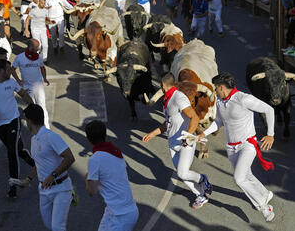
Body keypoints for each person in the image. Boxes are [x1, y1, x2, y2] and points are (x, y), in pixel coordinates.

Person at [198, 72, 276, 221]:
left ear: (221, 87)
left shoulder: (244, 99)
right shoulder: (220, 102)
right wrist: (204, 133)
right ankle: (265, 194)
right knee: (246, 175)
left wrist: (270, 134)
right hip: (231, 147)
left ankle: (264, 208)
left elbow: (269, 110)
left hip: (247, 145)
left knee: (239, 179)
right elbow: (219, 122)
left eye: (215, 88)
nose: (215, 91)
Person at [142, 73, 213, 208]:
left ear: (163, 86)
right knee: (182, 174)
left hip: (185, 141)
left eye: (161, 87)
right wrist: (153, 133)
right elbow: (168, 123)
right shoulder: (167, 101)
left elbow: (194, 118)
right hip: (173, 143)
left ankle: (203, 179)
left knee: (182, 172)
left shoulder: (179, 98)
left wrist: (187, 137)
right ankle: (200, 194)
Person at [0, 59, 35, 198]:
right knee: (17, 149)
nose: (12, 72)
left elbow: (23, 94)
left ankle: (13, 185)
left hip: (14, 120)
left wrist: (33, 108)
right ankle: (35, 163)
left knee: (11, 151)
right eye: (9, 69)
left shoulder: (11, 82)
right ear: (1, 71)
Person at [19, 104, 75, 231]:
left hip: (61, 188)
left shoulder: (51, 137)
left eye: (25, 119)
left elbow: (70, 157)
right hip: (44, 189)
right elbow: (38, 163)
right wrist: (28, 179)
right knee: (48, 225)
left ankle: (69, 194)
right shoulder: (34, 139)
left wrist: (53, 175)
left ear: (29, 121)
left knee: (57, 227)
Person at [85, 120, 139, 230]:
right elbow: (108, 181)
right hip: (117, 211)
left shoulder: (95, 159)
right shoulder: (116, 151)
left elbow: (92, 191)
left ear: (88, 140)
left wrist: (87, 179)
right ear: (105, 135)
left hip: (120, 216)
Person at [12, 39, 51, 128]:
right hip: (27, 87)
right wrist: (18, 80)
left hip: (38, 86)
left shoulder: (39, 57)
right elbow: (12, 69)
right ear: (30, 47)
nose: (38, 49)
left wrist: (44, 78)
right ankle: (35, 127)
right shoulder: (19, 57)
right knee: (32, 107)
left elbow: (42, 68)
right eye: (36, 47)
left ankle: (46, 126)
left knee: (42, 106)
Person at [25, 0, 55, 64]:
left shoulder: (46, 11)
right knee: (38, 45)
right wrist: (26, 30)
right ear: (39, 2)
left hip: (43, 29)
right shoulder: (33, 10)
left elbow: (46, 19)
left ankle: (44, 59)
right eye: (42, 3)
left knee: (45, 45)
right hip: (35, 29)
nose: (43, 4)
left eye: (44, 3)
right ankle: (36, 58)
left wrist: (50, 22)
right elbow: (27, 19)